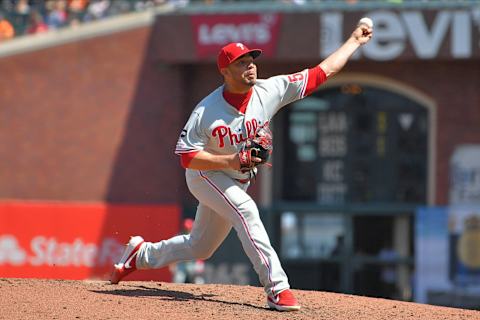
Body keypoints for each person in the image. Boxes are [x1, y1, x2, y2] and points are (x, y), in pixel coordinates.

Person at [110, 21, 373, 312]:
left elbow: (321, 73)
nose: (250, 66)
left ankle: (140, 253)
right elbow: (187, 157)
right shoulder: (206, 110)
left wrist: (353, 42)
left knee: (201, 247)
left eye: (251, 60)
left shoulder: (269, 90)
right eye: (240, 63)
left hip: (236, 179)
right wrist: (230, 160)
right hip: (205, 175)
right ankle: (277, 289)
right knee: (246, 210)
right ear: (224, 72)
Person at [169, 218, 206, 284]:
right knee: (178, 279)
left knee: (199, 281)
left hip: (193, 263)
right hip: (181, 263)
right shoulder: (178, 237)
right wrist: (172, 265)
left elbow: (200, 251)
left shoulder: (197, 237)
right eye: (186, 228)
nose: (187, 230)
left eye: (189, 228)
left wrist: (200, 263)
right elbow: (173, 252)